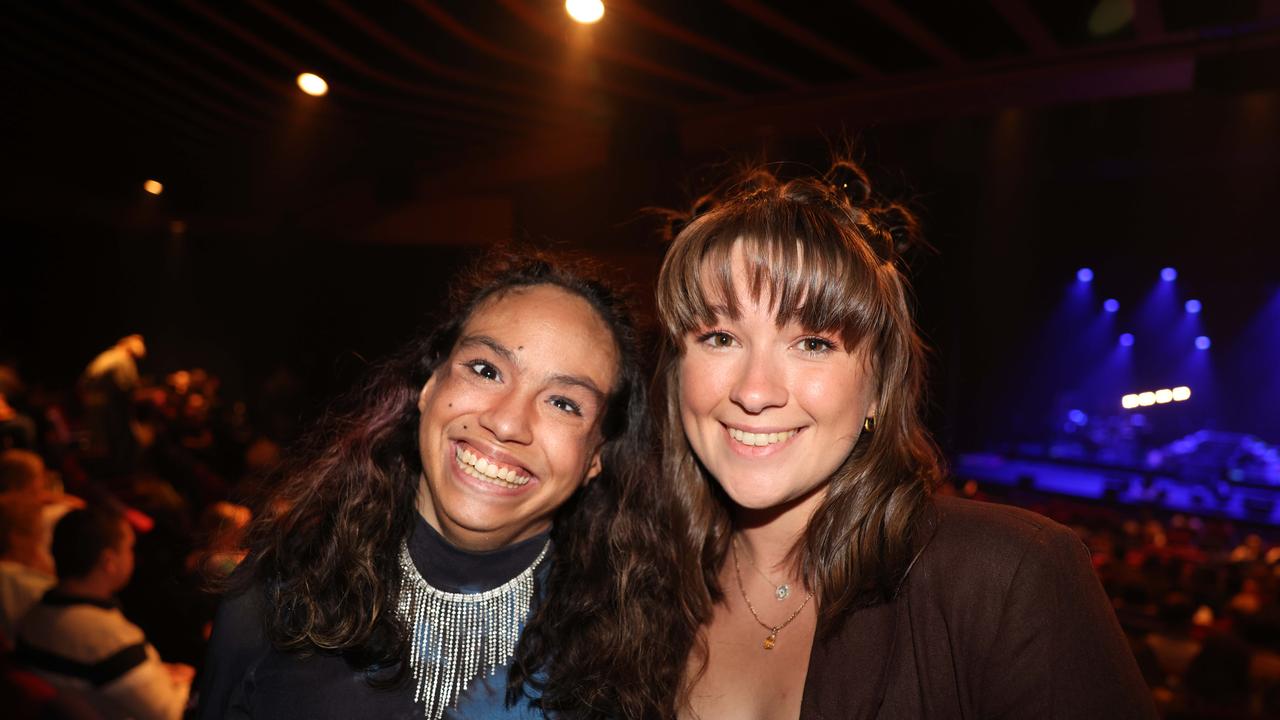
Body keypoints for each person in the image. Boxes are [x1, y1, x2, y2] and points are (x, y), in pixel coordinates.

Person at [653, 161, 1157, 718]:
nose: (754, 391)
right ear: (677, 371)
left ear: (878, 388)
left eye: (814, 343)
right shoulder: (632, 581)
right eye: (720, 337)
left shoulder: (1008, 578)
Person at [199, 251, 690, 719]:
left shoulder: (636, 653)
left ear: (596, 457)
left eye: (563, 402)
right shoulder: (274, 593)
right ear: (431, 385)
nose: (507, 423)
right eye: (486, 370)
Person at [14, 504, 194, 719]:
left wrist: (158, 674)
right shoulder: (109, 637)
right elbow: (171, 713)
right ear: (108, 561)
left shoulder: (33, 616)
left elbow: (101, 677)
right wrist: (186, 682)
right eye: (129, 548)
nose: (132, 557)